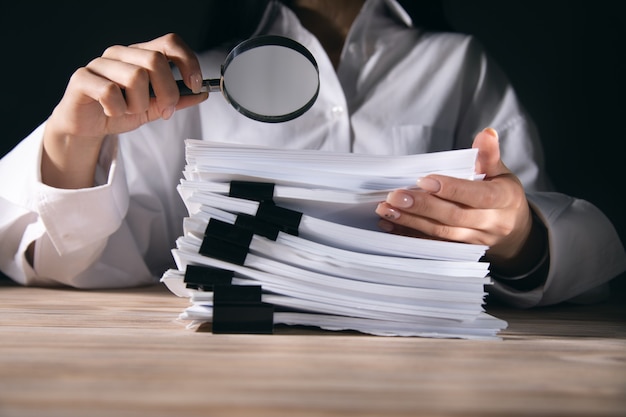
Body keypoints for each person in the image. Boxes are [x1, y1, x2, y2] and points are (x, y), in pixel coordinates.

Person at [0, 0, 624, 308]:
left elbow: (541, 235)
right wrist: (70, 143)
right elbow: (74, 259)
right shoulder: (186, 80)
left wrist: (518, 235)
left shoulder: (457, 64)